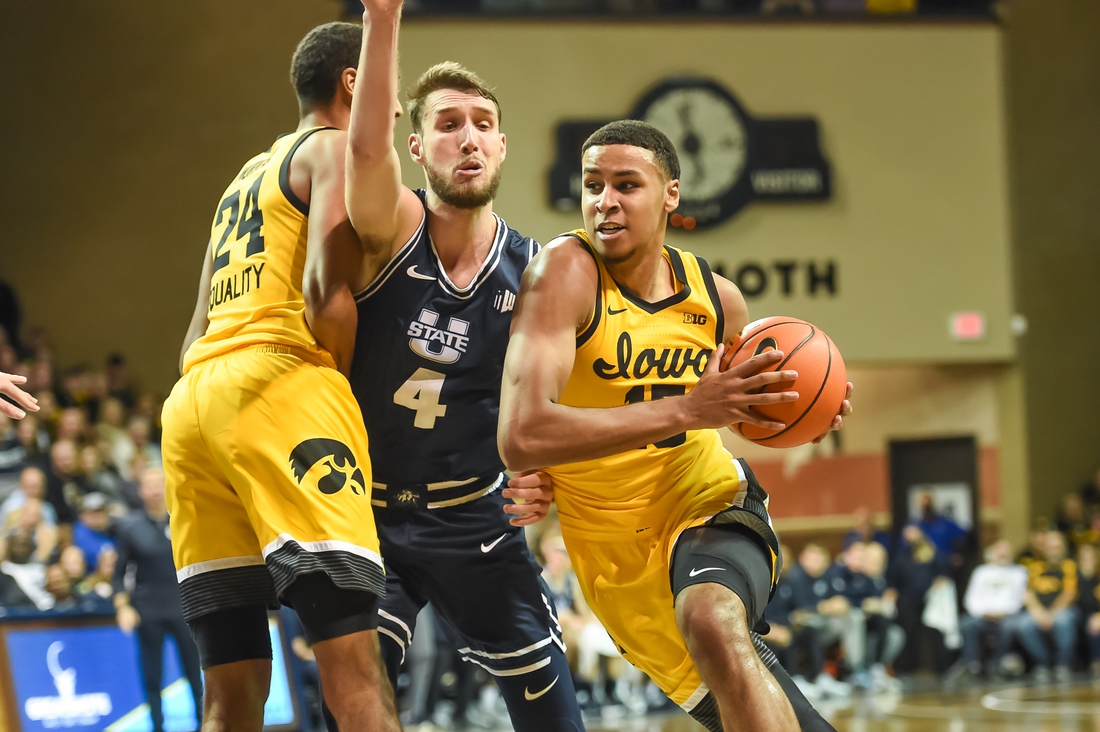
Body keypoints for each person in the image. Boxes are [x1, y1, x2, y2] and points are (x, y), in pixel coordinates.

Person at [498, 120, 852, 732]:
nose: (604, 201)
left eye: (626, 184)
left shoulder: (719, 301)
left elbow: (734, 410)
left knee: (714, 619)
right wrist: (690, 408)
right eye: (592, 185)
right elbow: (521, 435)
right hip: (614, 557)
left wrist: (798, 411)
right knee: (745, 692)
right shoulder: (564, 272)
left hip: (709, 498)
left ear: (670, 195)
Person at [329, 4, 583, 730]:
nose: (466, 138)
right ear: (416, 147)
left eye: (480, 124)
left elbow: (564, 399)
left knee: (553, 714)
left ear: (502, 146)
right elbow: (364, 153)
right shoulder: (390, 231)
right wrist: (382, 18)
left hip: (477, 514)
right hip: (369, 513)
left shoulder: (536, 271)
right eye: (447, 124)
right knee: (353, 698)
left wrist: (552, 474)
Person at [160, 22, 400, 732]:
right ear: (352, 82)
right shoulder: (329, 150)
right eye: (384, 89)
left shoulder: (242, 178)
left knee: (228, 693)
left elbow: (192, 334)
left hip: (194, 406)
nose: (392, 108)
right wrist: (338, 396)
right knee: (354, 670)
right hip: (280, 388)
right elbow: (328, 294)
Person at [114, 468, 203, 732]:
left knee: (194, 673)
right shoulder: (130, 527)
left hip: (184, 608)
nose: (153, 489)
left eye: (158, 484)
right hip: (148, 611)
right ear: (140, 491)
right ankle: (158, 727)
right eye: (148, 485)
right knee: (153, 676)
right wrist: (123, 607)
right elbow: (119, 575)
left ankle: (204, 725)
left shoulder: (183, 519)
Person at [947, 538, 1028, 682]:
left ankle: (996, 663)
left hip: (1007, 616)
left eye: (1006, 551)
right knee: (966, 623)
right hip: (983, 616)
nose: (1003, 554)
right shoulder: (981, 572)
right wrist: (984, 613)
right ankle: (972, 664)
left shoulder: (1019, 572)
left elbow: (1019, 599)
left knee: (1011, 626)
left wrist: (1003, 613)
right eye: (1000, 550)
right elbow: (971, 599)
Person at [1008, 530, 1078, 682]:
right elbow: (1028, 593)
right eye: (1050, 547)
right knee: (1023, 624)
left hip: (1061, 609)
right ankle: (1043, 664)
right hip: (1039, 611)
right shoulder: (1035, 567)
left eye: (1057, 547)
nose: (1054, 551)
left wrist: (1051, 613)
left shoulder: (1069, 565)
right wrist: (1038, 612)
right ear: (1044, 549)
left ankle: (1062, 665)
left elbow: (1069, 593)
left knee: (1064, 620)